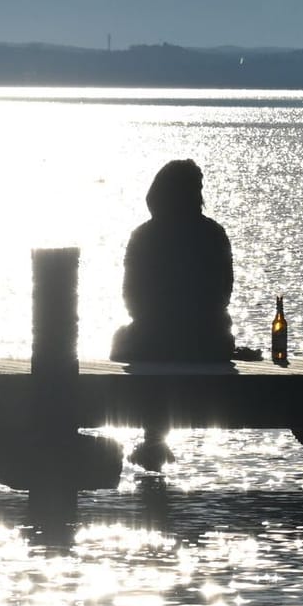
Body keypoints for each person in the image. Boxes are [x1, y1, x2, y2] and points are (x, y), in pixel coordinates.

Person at [108, 159, 235, 470]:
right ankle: (154, 441)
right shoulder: (214, 233)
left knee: (122, 341)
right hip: (209, 343)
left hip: (154, 339)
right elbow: (224, 294)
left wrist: (155, 320)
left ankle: (153, 438)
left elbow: (131, 297)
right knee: (163, 351)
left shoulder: (144, 235)